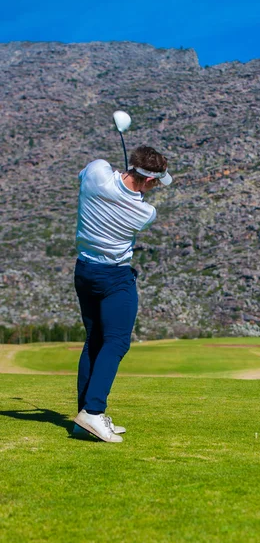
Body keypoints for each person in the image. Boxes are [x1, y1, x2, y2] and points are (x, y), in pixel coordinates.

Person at [73, 146, 172, 442]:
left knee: (94, 341)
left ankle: (84, 419)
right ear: (148, 180)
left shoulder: (95, 171)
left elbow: (88, 177)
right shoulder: (144, 212)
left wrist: (119, 179)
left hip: (84, 271)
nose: (155, 188)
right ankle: (92, 411)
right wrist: (132, 191)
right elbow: (132, 199)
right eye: (155, 182)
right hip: (115, 277)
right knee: (116, 343)